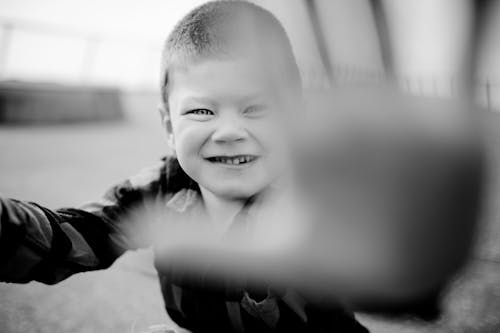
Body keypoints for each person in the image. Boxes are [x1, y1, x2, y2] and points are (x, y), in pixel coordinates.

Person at [0, 1, 368, 332]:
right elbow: (76, 236)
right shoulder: (161, 189)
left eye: (256, 108)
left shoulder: (313, 209)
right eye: (201, 111)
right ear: (170, 128)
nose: (228, 132)